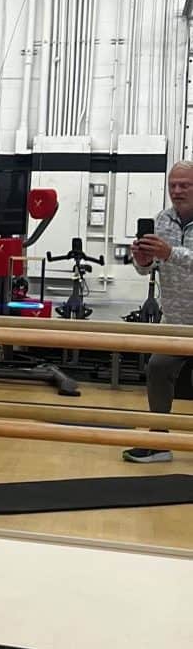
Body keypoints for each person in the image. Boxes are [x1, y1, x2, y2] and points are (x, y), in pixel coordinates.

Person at [123, 160, 193, 464]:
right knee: (157, 368)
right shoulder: (162, 220)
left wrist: (170, 253)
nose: (177, 191)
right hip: (176, 321)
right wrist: (142, 259)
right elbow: (149, 268)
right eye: (173, 185)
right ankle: (158, 441)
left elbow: (174, 257)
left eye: (185, 185)